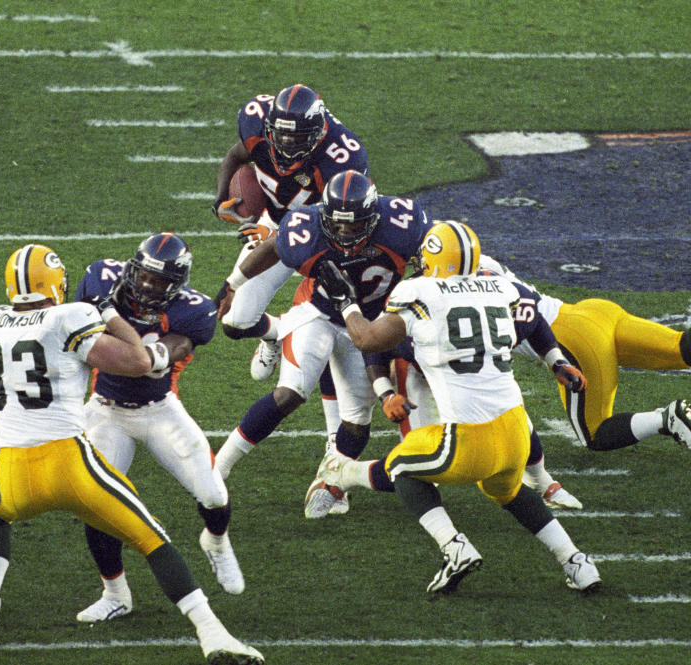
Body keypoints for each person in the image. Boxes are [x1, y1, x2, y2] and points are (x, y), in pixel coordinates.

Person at [0, 244, 263, 664]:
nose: (149, 285)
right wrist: (111, 315)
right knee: (144, 535)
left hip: (43, 450)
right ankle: (184, 622)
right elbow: (137, 359)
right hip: (89, 431)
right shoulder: (79, 307)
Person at [312, 220, 600, 595]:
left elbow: (366, 339)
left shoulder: (419, 292)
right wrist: (556, 361)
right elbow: (534, 315)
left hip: (469, 439)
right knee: (510, 492)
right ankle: (576, 561)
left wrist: (347, 303)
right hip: (518, 434)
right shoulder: (500, 286)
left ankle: (454, 546)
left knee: (401, 467)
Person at [213, 170, 431, 520]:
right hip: (319, 313)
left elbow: (432, 258)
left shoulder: (404, 224)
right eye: (337, 225)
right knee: (291, 392)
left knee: (358, 423)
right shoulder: (307, 225)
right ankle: (218, 469)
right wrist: (233, 284)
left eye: (353, 225)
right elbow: (272, 248)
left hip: (374, 322)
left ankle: (330, 482)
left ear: (373, 218)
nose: (344, 233)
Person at [476, 254, 691, 463]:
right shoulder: (481, 261)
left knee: (594, 434)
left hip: (572, 339)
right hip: (593, 312)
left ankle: (666, 419)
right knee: (681, 349)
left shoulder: (445, 285)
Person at [72, 233, 244, 626]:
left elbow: (144, 362)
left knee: (214, 494)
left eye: (161, 281)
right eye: (145, 277)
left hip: (159, 410)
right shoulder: (101, 276)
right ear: (134, 269)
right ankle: (115, 593)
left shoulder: (195, 312)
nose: (149, 286)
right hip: (104, 411)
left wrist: (107, 316)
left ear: (178, 283)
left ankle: (215, 541)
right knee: (97, 508)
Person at [210, 83, 370, 385]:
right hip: (276, 220)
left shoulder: (341, 158)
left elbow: (334, 224)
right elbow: (235, 156)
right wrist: (221, 200)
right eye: (279, 134)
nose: (284, 143)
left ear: (316, 133)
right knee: (235, 322)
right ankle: (277, 334)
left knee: (338, 324)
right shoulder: (256, 121)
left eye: (295, 138)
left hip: (323, 235)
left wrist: (276, 238)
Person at [363, 338, 583, 510]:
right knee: (417, 465)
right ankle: (344, 474)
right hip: (423, 375)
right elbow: (375, 342)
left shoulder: (497, 289)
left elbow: (533, 322)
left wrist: (557, 361)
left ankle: (542, 482)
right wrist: (386, 394)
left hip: (475, 376)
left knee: (515, 421)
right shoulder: (416, 295)